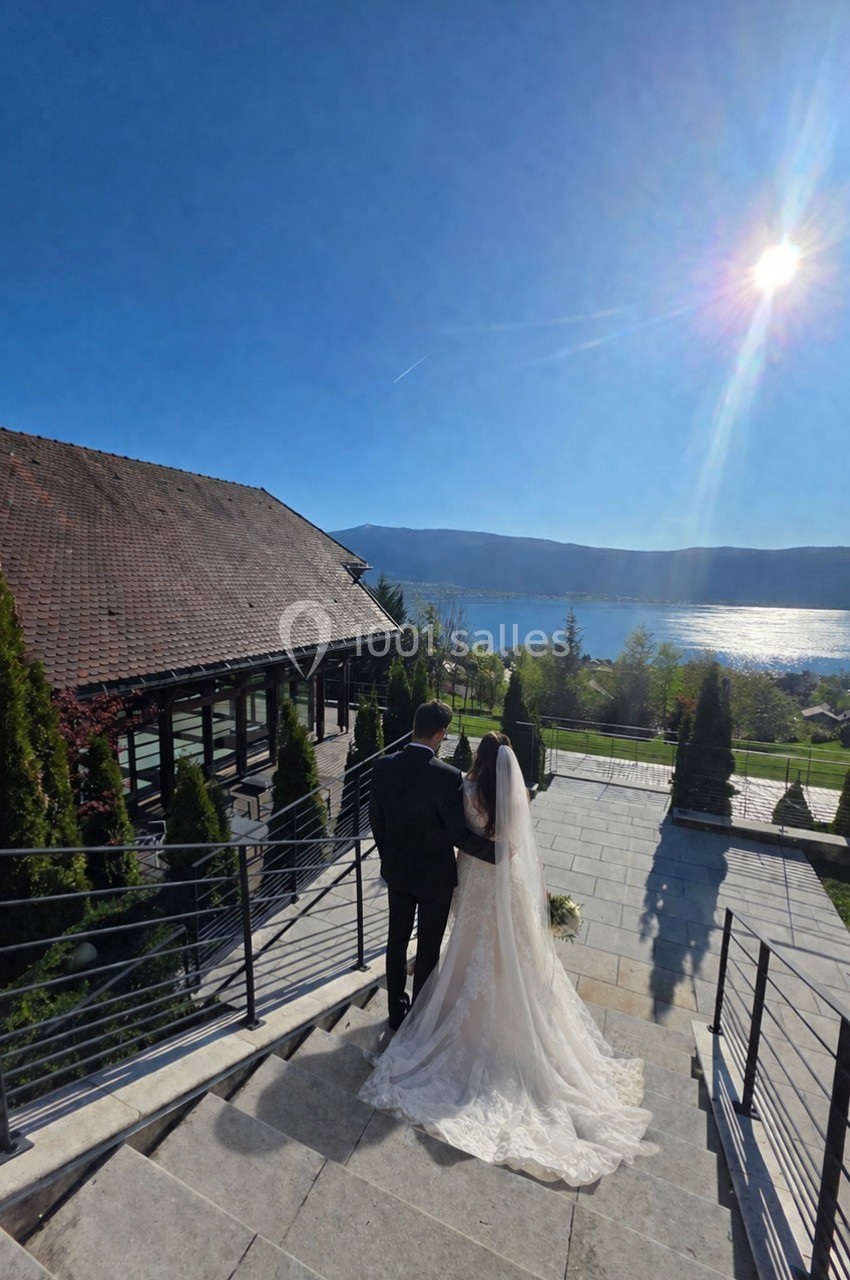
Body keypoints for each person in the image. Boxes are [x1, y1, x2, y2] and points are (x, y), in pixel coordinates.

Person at [359, 732, 653, 1186]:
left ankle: (428, 1018)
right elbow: (522, 851)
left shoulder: (466, 789)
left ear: (480, 758)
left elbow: (458, 835)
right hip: (508, 885)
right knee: (510, 954)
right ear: (510, 765)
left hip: (474, 882)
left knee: (466, 948)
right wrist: (538, 892)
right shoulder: (518, 794)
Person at [369, 699, 495, 1030]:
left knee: (396, 942)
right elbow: (459, 836)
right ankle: (421, 1017)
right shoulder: (447, 777)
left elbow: (376, 824)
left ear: (415, 725)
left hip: (398, 876)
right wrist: (497, 854)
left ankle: (396, 1014)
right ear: (440, 734)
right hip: (435, 881)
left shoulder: (382, 768)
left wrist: (390, 859)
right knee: (427, 947)